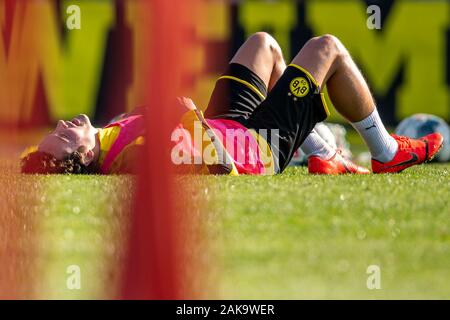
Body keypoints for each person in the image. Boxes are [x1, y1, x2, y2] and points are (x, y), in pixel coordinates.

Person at [21, 32, 443, 175]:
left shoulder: (108, 133)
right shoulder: (133, 156)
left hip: (228, 122)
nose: (62, 123)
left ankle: (324, 154)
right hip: (257, 147)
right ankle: (385, 151)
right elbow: (221, 166)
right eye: (63, 135)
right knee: (325, 48)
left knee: (262, 44)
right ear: (86, 153)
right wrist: (187, 118)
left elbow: (49, 162)